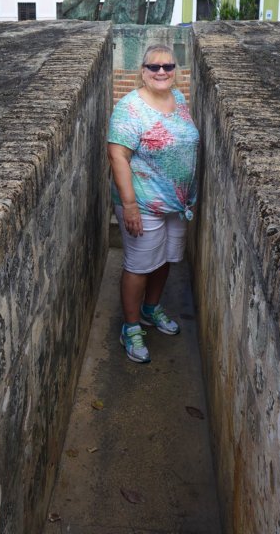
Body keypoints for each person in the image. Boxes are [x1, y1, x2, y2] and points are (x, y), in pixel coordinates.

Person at [107, 44, 199, 363]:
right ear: (143, 71)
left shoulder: (179, 99)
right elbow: (117, 155)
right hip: (143, 203)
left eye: (168, 66)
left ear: (175, 71)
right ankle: (131, 327)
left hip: (177, 203)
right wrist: (129, 206)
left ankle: (150, 308)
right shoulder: (130, 108)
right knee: (139, 266)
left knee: (165, 259)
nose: (162, 72)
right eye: (154, 67)